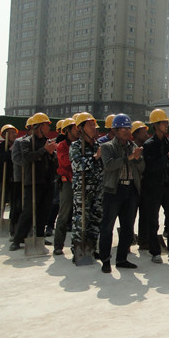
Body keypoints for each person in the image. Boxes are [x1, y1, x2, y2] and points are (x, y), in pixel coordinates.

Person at [99, 114, 145, 273]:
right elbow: (109, 166)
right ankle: (105, 260)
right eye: (123, 129)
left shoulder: (133, 146)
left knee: (127, 227)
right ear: (115, 130)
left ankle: (122, 259)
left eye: (128, 128)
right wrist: (128, 158)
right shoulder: (107, 147)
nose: (127, 131)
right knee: (107, 227)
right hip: (113, 190)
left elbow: (142, 168)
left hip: (131, 190)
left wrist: (137, 159)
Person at [142, 109, 169, 263]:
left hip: (168, 186)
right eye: (163, 123)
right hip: (153, 187)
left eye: (167, 122)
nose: (166, 125)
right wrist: (168, 158)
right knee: (153, 221)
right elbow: (150, 167)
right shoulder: (149, 145)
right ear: (155, 125)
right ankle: (155, 252)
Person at [10, 113, 57, 251]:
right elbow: (26, 158)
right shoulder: (27, 142)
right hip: (33, 181)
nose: (49, 128)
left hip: (47, 181)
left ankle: (40, 236)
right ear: (39, 126)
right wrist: (44, 150)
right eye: (47, 125)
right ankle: (17, 239)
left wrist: (51, 154)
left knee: (44, 211)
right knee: (28, 212)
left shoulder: (48, 142)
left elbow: (53, 160)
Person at [69, 113, 104, 263]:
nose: (94, 128)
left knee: (96, 219)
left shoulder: (97, 146)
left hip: (97, 188)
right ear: (81, 128)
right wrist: (95, 158)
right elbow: (77, 165)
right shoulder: (76, 146)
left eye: (94, 125)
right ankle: (78, 249)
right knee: (81, 219)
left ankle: (91, 248)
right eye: (90, 125)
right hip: (83, 189)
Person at [53, 118, 78, 255]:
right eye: (75, 128)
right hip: (67, 181)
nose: (78, 130)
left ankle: (79, 245)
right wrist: (80, 160)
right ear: (68, 130)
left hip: (81, 180)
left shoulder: (83, 144)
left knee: (81, 215)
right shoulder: (62, 146)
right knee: (64, 214)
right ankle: (58, 245)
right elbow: (66, 162)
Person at [0, 124, 17, 234]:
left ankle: (13, 226)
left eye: (14, 132)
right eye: (11, 133)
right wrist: (10, 151)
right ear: (4, 135)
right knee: (0, 203)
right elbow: (2, 159)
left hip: (14, 179)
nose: (14, 135)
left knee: (14, 203)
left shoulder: (17, 146)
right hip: (2, 179)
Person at [131, 120, 150, 249]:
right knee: (130, 215)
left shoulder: (147, 147)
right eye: (144, 132)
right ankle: (128, 239)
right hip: (133, 186)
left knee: (145, 214)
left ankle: (143, 241)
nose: (147, 135)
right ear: (136, 133)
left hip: (145, 185)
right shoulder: (130, 148)